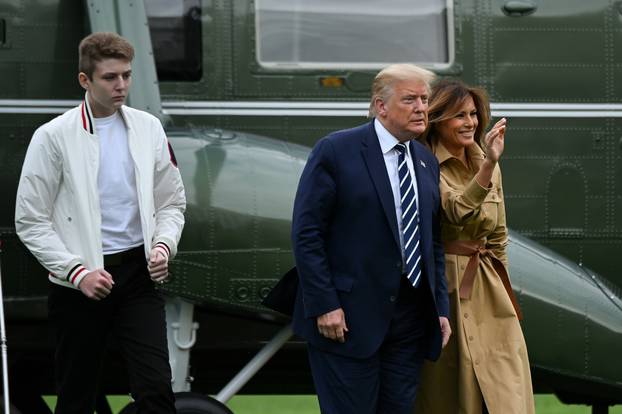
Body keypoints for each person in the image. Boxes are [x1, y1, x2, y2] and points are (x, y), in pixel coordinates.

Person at [14, 32, 186, 413]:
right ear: (85, 80)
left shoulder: (149, 128)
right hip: (78, 285)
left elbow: (172, 203)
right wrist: (77, 273)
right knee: (77, 398)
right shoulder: (52, 137)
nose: (121, 85)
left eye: (126, 75)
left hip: (139, 277)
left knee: (157, 390)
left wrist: (163, 245)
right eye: (110, 77)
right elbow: (30, 220)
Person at [289, 64, 451, 414]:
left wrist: (439, 307)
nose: (422, 107)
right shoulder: (335, 150)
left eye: (424, 99)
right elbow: (307, 233)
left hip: (409, 321)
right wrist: (324, 304)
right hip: (346, 319)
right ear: (381, 106)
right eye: (410, 100)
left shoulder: (425, 160)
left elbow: (430, 241)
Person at [415, 78, 534, 413]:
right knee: (451, 388)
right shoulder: (424, 164)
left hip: (488, 287)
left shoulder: (488, 161)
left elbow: (497, 235)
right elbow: (456, 212)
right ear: (438, 121)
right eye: (459, 116)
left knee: (507, 388)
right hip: (447, 287)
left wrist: (504, 290)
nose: (470, 123)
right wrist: (488, 166)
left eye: (473, 115)